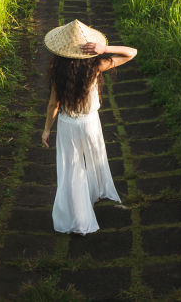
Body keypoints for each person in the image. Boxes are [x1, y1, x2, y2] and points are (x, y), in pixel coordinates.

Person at [40, 19, 137, 234]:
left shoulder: (58, 73)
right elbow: (132, 52)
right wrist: (105, 49)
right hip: (90, 123)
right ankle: (94, 196)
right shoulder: (95, 66)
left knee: (72, 170)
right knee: (94, 160)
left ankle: (78, 218)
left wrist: (47, 129)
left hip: (67, 126)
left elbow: (52, 105)